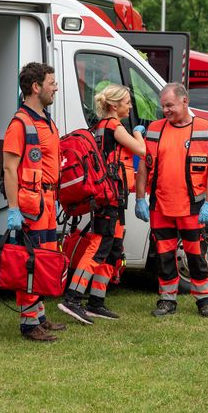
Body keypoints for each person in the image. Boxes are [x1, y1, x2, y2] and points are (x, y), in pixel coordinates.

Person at [58, 84, 146, 324]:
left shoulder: (97, 127)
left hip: (112, 196)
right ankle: (73, 298)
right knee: (99, 246)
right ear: (114, 106)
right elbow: (140, 149)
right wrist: (138, 132)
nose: (130, 106)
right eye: (127, 102)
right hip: (109, 196)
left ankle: (96, 301)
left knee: (113, 248)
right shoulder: (114, 126)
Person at [135, 83, 208, 318]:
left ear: (185, 101)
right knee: (164, 256)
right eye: (163, 106)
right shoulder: (154, 129)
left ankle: (204, 300)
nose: (165, 110)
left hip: (193, 206)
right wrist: (140, 198)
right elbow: (143, 166)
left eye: (169, 105)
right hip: (160, 206)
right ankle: (167, 300)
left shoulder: (204, 128)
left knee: (195, 255)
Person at [3, 62, 66, 341]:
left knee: (45, 260)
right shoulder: (20, 123)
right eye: (51, 82)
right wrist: (14, 209)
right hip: (32, 204)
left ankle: (39, 314)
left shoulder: (46, 119)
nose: (55, 87)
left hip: (48, 201)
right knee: (32, 261)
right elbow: (8, 169)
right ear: (35, 87)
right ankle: (29, 324)